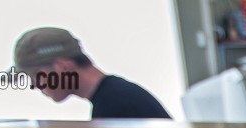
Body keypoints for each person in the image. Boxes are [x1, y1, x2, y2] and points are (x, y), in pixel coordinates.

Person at [13, 27, 170, 119]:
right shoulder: (116, 95)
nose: (34, 85)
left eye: (36, 75)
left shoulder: (114, 105)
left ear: (63, 67)